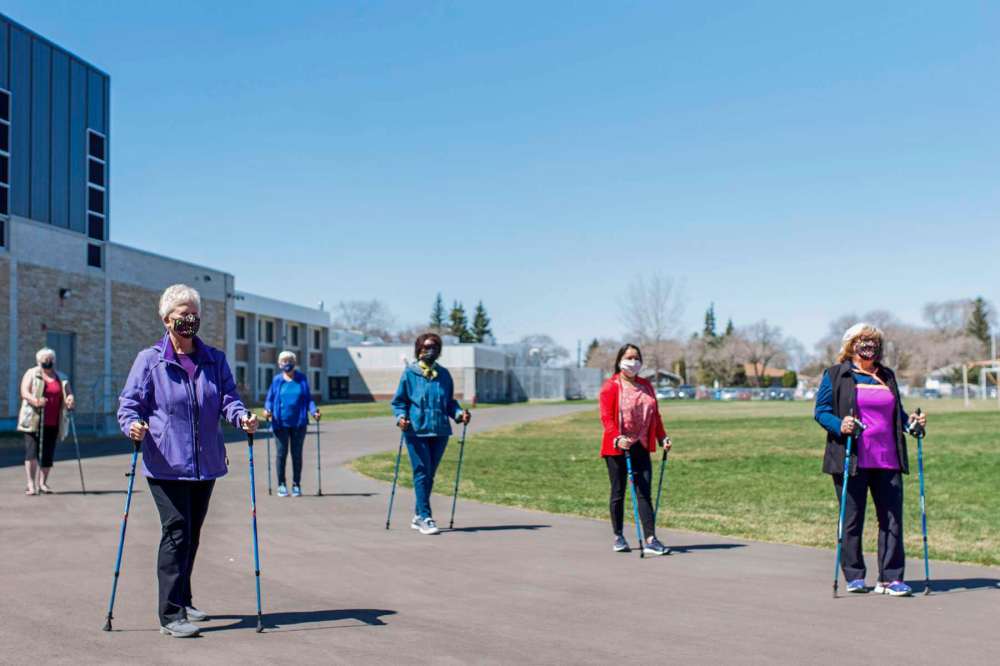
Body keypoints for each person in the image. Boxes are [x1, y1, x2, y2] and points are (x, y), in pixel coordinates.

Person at [118, 284, 258, 637]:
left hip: (205, 462)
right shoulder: (149, 360)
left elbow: (228, 399)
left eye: (194, 313)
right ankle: (170, 613)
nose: (190, 319)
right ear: (167, 319)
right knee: (177, 531)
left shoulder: (214, 359)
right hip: (165, 462)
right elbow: (129, 404)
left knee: (192, 533)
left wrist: (242, 417)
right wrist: (132, 424)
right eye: (183, 313)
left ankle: (185, 598)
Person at [814, 322, 927, 597]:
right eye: (863, 340)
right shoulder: (835, 375)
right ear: (851, 345)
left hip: (887, 458)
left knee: (891, 520)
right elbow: (821, 411)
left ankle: (890, 578)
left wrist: (912, 425)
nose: (869, 346)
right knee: (852, 519)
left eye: (873, 341)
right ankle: (854, 575)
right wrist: (840, 424)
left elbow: (896, 413)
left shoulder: (886, 375)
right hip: (851, 457)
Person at [391, 332, 471, 535]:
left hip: (440, 431)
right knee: (421, 472)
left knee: (430, 474)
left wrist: (459, 414)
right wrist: (401, 417)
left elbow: (449, 403)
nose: (430, 350)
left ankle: (418, 516)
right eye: (426, 347)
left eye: (434, 347)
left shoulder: (444, 375)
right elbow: (400, 401)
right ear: (418, 349)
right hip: (416, 431)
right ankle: (426, 517)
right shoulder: (410, 373)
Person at [598, 344, 672, 555]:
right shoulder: (611, 386)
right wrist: (616, 438)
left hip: (641, 445)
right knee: (618, 492)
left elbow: (655, 416)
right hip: (617, 446)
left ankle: (651, 539)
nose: (633, 361)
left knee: (644, 492)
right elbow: (607, 418)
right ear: (620, 360)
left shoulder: (646, 385)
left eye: (637, 357)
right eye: (629, 357)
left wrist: (662, 437)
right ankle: (618, 536)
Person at [17, 348, 76, 495]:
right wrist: (35, 401)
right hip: (33, 420)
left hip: (53, 421)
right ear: (38, 361)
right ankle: (31, 484)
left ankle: (43, 483)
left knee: (48, 454)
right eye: (44, 360)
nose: (47, 362)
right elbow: (24, 391)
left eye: (50, 359)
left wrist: (70, 399)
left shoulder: (61, 377)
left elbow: (69, 394)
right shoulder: (32, 373)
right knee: (32, 452)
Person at [264, 350, 321, 497]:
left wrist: (314, 411)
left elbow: (309, 399)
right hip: (280, 423)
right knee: (281, 455)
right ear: (279, 364)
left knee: (297, 455)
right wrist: (267, 410)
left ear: (294, 363)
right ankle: (281, 484)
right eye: (284, 361)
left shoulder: (301, 379)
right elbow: (269, 399)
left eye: (290, 361)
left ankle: (296, 484)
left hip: (299, 423)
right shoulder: (277, 380)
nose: (287, 363)